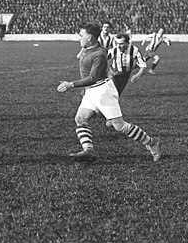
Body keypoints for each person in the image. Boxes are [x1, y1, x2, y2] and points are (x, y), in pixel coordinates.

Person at [57, 23, 161, 162]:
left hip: (102, 91)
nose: (78, 38)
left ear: (89, 38)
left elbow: (93, 78)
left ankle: (152, 142)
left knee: (119, 126)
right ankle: (89, 150)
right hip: (91, 91)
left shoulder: (99, 54)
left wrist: (71, 84)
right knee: (80, 119)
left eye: (81, 36)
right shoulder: (88, 47)